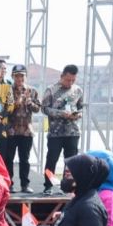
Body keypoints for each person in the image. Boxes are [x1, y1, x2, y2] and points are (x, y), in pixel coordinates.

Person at [40, 65, 84, 195]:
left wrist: (78, 114)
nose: (70, 83)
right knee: (51, 159)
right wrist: (60, 113)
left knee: (71, 161)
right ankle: (48, 186)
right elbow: (44, 108)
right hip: (55, 133)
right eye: (67, 80)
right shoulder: (51, 90)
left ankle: (68, 186)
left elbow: (81, 107)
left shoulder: (78, 90)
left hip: (73, 132)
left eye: (72, 80)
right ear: (62, 76)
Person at [6, 65, 40, 192]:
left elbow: (38, 108)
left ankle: (25, 185)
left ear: (25, 76)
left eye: (22, 75)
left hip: (26, 131)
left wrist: (29, 103)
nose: (19, 78)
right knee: (9, 159)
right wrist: (16, 103)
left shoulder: (32, 91)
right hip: (11, 130)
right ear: (12, 76)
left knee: (24, 159)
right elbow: (4, 109)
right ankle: (9, 184)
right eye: (16, 75)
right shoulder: (7, 90)